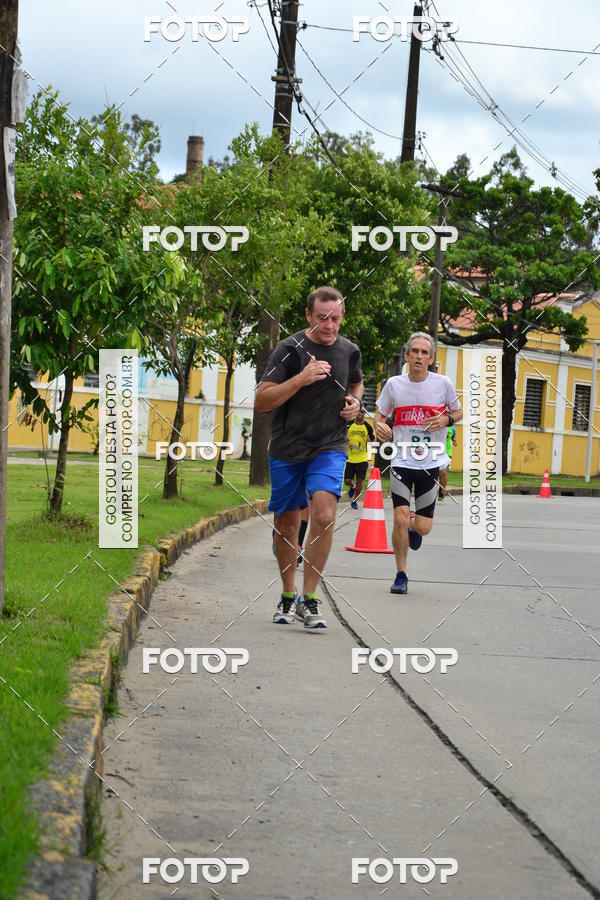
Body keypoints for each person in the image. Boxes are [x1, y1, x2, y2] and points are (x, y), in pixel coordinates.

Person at [255, 285, 363, 629]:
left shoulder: (350, 351)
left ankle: (309, 597)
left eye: (335, 317)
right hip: (288, 448)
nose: (330, 325)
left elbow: (356, 384)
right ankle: (288, 595)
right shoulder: (289, 350)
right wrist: (300, 379)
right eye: (322, 318)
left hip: (330, 446)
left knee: (326, 514)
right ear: (308, 315)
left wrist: (355, 405)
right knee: (287, 524)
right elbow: (262, 401)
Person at [373, 332, 462, 595]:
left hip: (431, 461)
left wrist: (446, 420)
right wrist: (380, 427)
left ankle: (414, 524)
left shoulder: (442, 384)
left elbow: (458, 411)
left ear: (431, 358)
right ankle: (401, 574)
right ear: (407, 356)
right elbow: (380, 415)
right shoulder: (394, 385)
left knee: (423, 527)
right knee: (398, 519)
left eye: (425, 353)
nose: (419, 357)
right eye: (415, 352)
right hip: (401, 459)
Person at [344, 410, 375, 509]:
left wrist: (369, 441)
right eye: (358, 412)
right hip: (350, 458)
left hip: (362, 458)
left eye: (362, 412)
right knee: (347, 480)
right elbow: (342, 435)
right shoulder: (349, 424)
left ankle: (354, 501)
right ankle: (352, 486)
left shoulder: (368, 427)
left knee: (359, 481)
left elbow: (373, 439)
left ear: (364, 414)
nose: (360, 414)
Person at [439, 424, 457, 499]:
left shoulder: (452, 428)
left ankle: (441, 492)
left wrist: (454, 442)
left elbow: (453, 438)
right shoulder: (438, 426)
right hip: (436, 452)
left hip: (447, 453)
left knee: (443, 473)